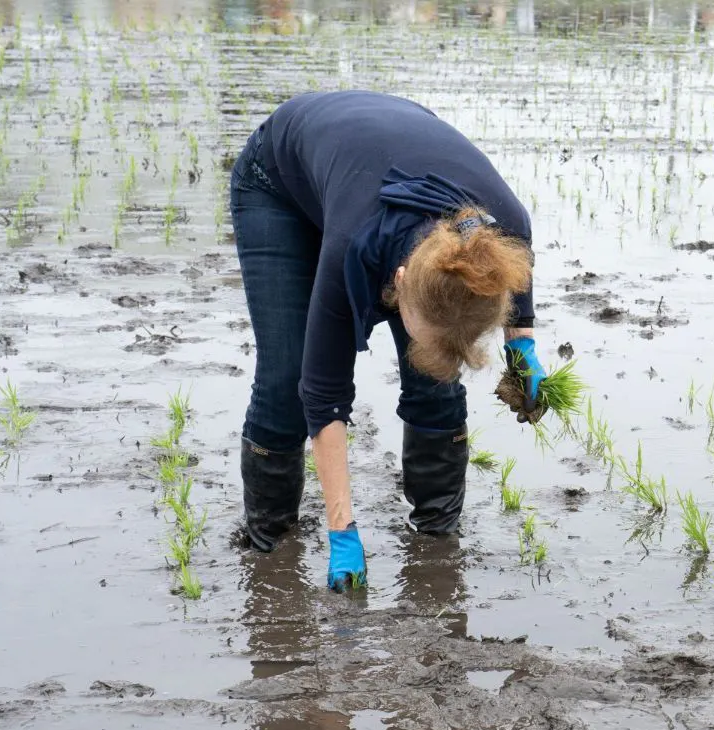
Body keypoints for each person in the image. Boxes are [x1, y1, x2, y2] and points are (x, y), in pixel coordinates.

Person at [230, 90, 548, 591]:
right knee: (285, 376)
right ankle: (271, 543)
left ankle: (436, 537)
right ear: (397, 282)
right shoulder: (351, 249)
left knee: (433, 376)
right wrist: (343, 529)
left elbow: (515, 278)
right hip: (279, 180)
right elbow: (322, 393)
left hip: (377, 152)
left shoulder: (505, 226)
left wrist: (522, 346)